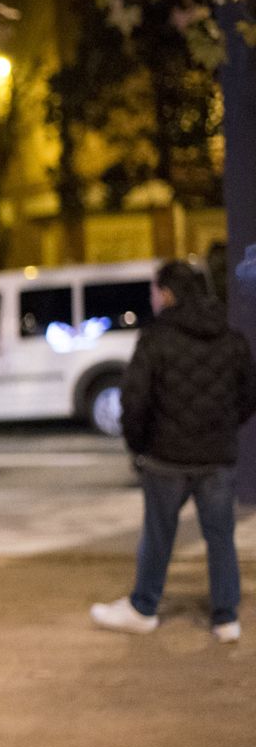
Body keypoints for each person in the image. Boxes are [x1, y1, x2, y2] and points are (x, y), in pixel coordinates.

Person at [90, 259, 255, 644]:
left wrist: (139, 446)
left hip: (166, 458)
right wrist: (224, 429)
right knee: (221, 537)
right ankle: (225, 618)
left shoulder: (155, 338)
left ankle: (143, 608)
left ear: (167, 293)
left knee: (158, 535)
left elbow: (134, 402)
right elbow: (249, 395)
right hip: (217, 457)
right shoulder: (230, 338)